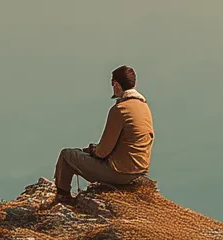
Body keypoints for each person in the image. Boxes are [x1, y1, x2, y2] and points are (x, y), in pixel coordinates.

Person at [54, 65, 153, 202]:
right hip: (139, 170)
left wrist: (92, 150)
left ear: (117, 84)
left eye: (113, 84)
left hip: (120, 172)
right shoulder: (144, 107)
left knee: (67, 155)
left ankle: (62, 198)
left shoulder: (120, 110)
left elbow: (103, 152)